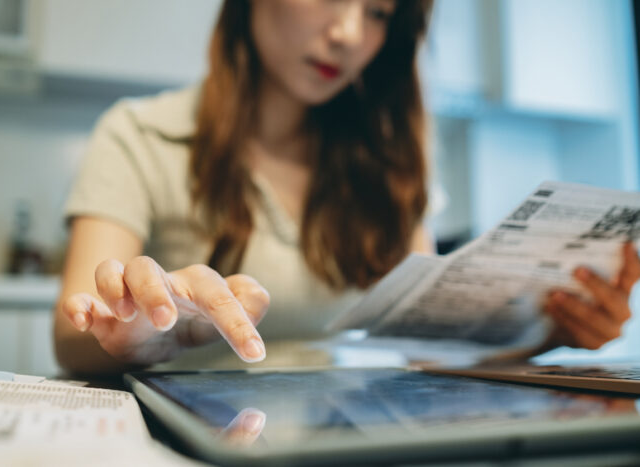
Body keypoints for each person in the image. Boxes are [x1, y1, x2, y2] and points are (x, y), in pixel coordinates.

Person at [54, 0, 639, 375]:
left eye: (380, 12)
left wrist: (549, 332)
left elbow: (425, 346)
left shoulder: (386, 165)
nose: (350, 32)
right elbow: (71, 333)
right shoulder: (140, 135)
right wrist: (140, 332)